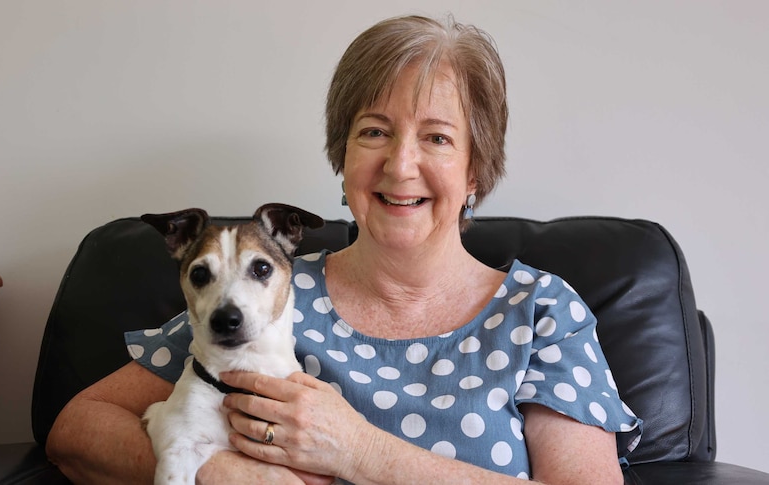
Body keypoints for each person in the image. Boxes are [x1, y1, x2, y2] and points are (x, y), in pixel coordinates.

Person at [46, 14, 641, 484]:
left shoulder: (540, 313)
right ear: (343, 155)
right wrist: (229, 477)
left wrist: (359, 451)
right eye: (374, 132)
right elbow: (78, 429)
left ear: (475, 172)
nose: (400, 165)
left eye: (436, 137)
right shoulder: (265, 290)